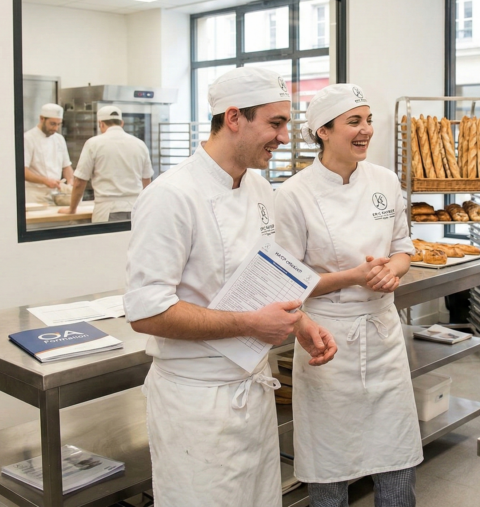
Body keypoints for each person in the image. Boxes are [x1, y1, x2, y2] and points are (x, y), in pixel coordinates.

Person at [124, 67, 338, 507]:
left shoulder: (260, 188)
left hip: (251, 390)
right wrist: (250, 323)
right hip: (196, 404)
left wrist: (299, 322)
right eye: (275, 124)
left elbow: (264, 279)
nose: (284, 138)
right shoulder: (173, 195)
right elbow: (146, 312)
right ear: (235, 117)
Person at [273, 84, 422, 507]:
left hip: (383, 335)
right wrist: (354, 276)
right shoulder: (293, 194)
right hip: (327, 339)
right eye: (354, 121)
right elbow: (287, 281)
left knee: (396, 455)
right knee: (329, 463)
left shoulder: (385, 181)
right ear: (322, 130)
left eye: (368, 120)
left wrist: (390, 273)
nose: (367, 130)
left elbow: (403, 249)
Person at [59, 106, 153, 222]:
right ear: (122, 123)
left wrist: (72, 209)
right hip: (136, 209)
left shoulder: (94, 144)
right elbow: (147, 181)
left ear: (101, 124)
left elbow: (79, 182)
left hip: (108, 210)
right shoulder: (140, 144)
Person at [23, 103, 73, 203]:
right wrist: (45, 181)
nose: (55, 128)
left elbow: (66, 166)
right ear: (42, 119)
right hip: (35, 196)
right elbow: (23, 171)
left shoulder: (59, 139)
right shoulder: (28, 138)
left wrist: (71, 183)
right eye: (52, 124)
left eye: (59, 124)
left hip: (57, 195)